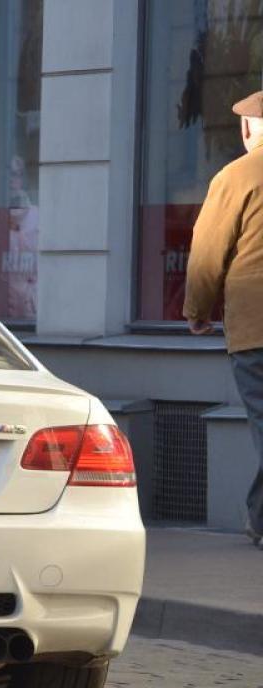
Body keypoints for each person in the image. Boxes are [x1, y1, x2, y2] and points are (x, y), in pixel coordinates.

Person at [185, 90, 263, 547]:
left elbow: (208, 252)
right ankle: (258, 517)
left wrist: (197, 311)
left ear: (248, 128)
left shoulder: (235, 177)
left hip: (255, 329)